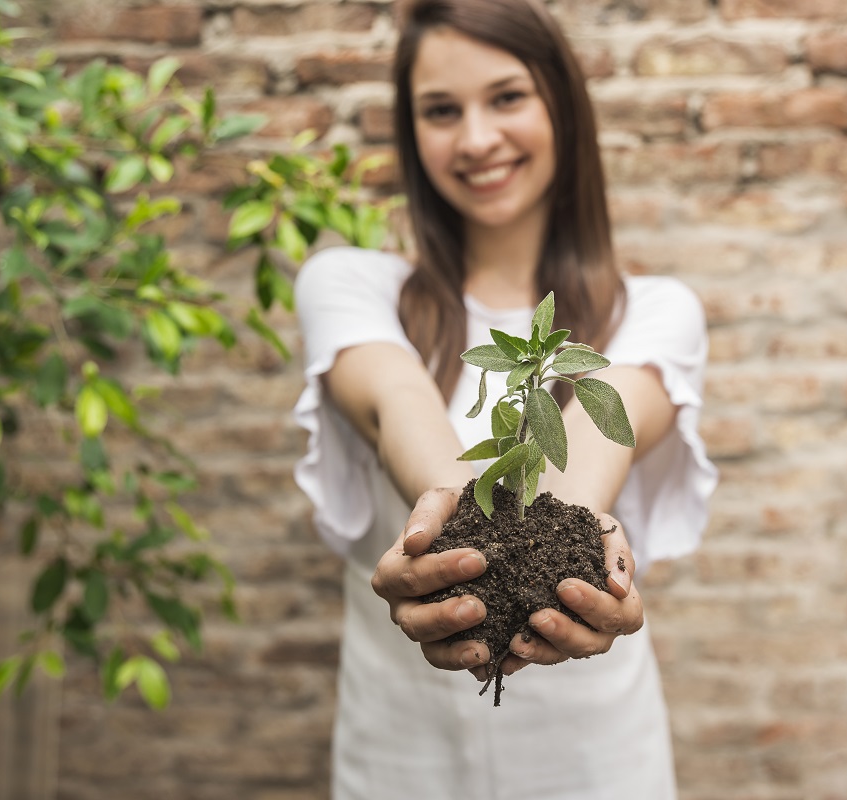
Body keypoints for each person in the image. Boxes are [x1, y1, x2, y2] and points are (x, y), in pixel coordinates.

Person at [291, 0, 717, 797]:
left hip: (593, 758)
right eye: (441, 111)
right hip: (399, 752)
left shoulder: (655, 312)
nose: (477, 138)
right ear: (411, 131)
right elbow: (395, 400)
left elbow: (597, 442)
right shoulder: (348, 285)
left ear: (562, 105)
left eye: (507, 97)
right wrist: (450, 522)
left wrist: (573, 528)